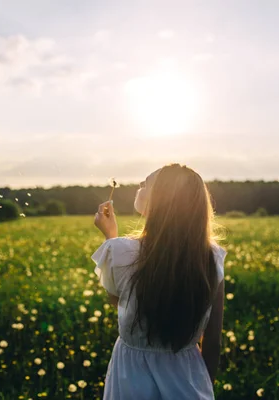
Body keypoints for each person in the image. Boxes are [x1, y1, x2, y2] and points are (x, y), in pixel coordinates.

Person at [92, 163, 227, 400]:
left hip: (132, 378)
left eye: (145, 184)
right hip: (188, 378)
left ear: (160, 202)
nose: (139, 187)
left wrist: (110, 237)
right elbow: (213, 339)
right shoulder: (211, 257)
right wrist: (206, 385)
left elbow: (116, 301)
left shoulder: (120, 251)